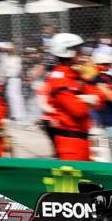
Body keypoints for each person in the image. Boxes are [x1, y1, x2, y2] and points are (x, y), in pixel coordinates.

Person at [41, 33, 98, 161]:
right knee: (71, 181)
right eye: (78, 50)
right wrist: (88, 101)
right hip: (70, 144)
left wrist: (88, 80)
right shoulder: (59, 78)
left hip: (80, 140)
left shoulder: (74, 75)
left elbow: (99, 100)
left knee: (86, 181)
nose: (81, 54)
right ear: (68, 52)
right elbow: (78, 110)